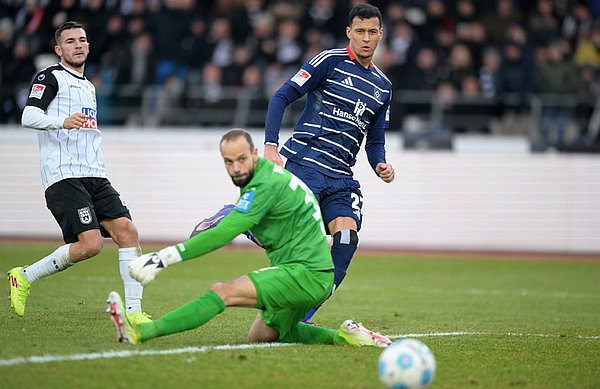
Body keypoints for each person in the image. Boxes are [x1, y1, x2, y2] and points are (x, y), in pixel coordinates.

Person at [106, 129, 390, 348]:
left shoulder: (264, 185)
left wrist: (160, 259)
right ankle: (347, 337)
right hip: (310, 273)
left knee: (222, 291)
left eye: (242, 159)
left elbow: (222, 233)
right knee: (263, 335)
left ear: (255, 154)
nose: (236, 168)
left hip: (305, 273)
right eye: (229, 162)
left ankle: (141, 332)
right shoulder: (262, 179)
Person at [7, 21, 149, 325]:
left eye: (82, 40)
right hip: (64, 175)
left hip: (95, 174)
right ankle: (24, 276)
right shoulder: (51, 77)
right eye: (70, 41)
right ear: (59, 50)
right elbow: (29, 115)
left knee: (128, 232)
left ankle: (135, 313)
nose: (78, 45)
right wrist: (61, 122)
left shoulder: (88, 85)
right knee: (91, 245)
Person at [262, 3, 395, 323]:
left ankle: (304, 314)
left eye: (371, 32)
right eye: (359, 31)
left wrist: (381, 164)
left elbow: (374, 141)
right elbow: (282, 96)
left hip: (340, 178)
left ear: (380, 35)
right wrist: (270, 145)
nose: (365, 38)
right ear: (349, 32)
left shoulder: (383, 86)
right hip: (306, 163)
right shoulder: (329, 61)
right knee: (298, 242)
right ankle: (258, 226)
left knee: (347, 239)